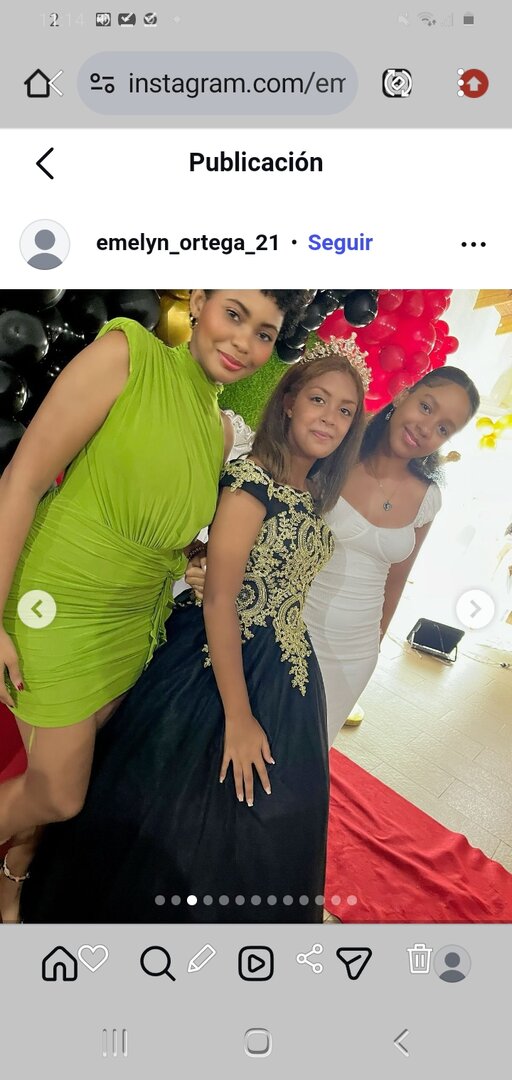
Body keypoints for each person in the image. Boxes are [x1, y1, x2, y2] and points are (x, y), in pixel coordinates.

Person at [20, 336, 368, 924]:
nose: (329, 417)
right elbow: (221, 601)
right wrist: (239, 716)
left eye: (344, 410)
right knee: (178, 817)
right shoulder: (251, 481)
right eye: (318, 399)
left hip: (287, 677)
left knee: (268, 826)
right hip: (213, 668)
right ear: (288, 401)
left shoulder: (312, 495)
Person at [303, 366, 480, 745]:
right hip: (292, 627)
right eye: (426, 407)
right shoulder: (333, 453)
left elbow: (395, 582)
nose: (426, 428)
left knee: (306, 758)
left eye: (444, 428)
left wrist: (375, 645)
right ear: (403, 395)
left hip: (355, 653)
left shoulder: (428, 497)